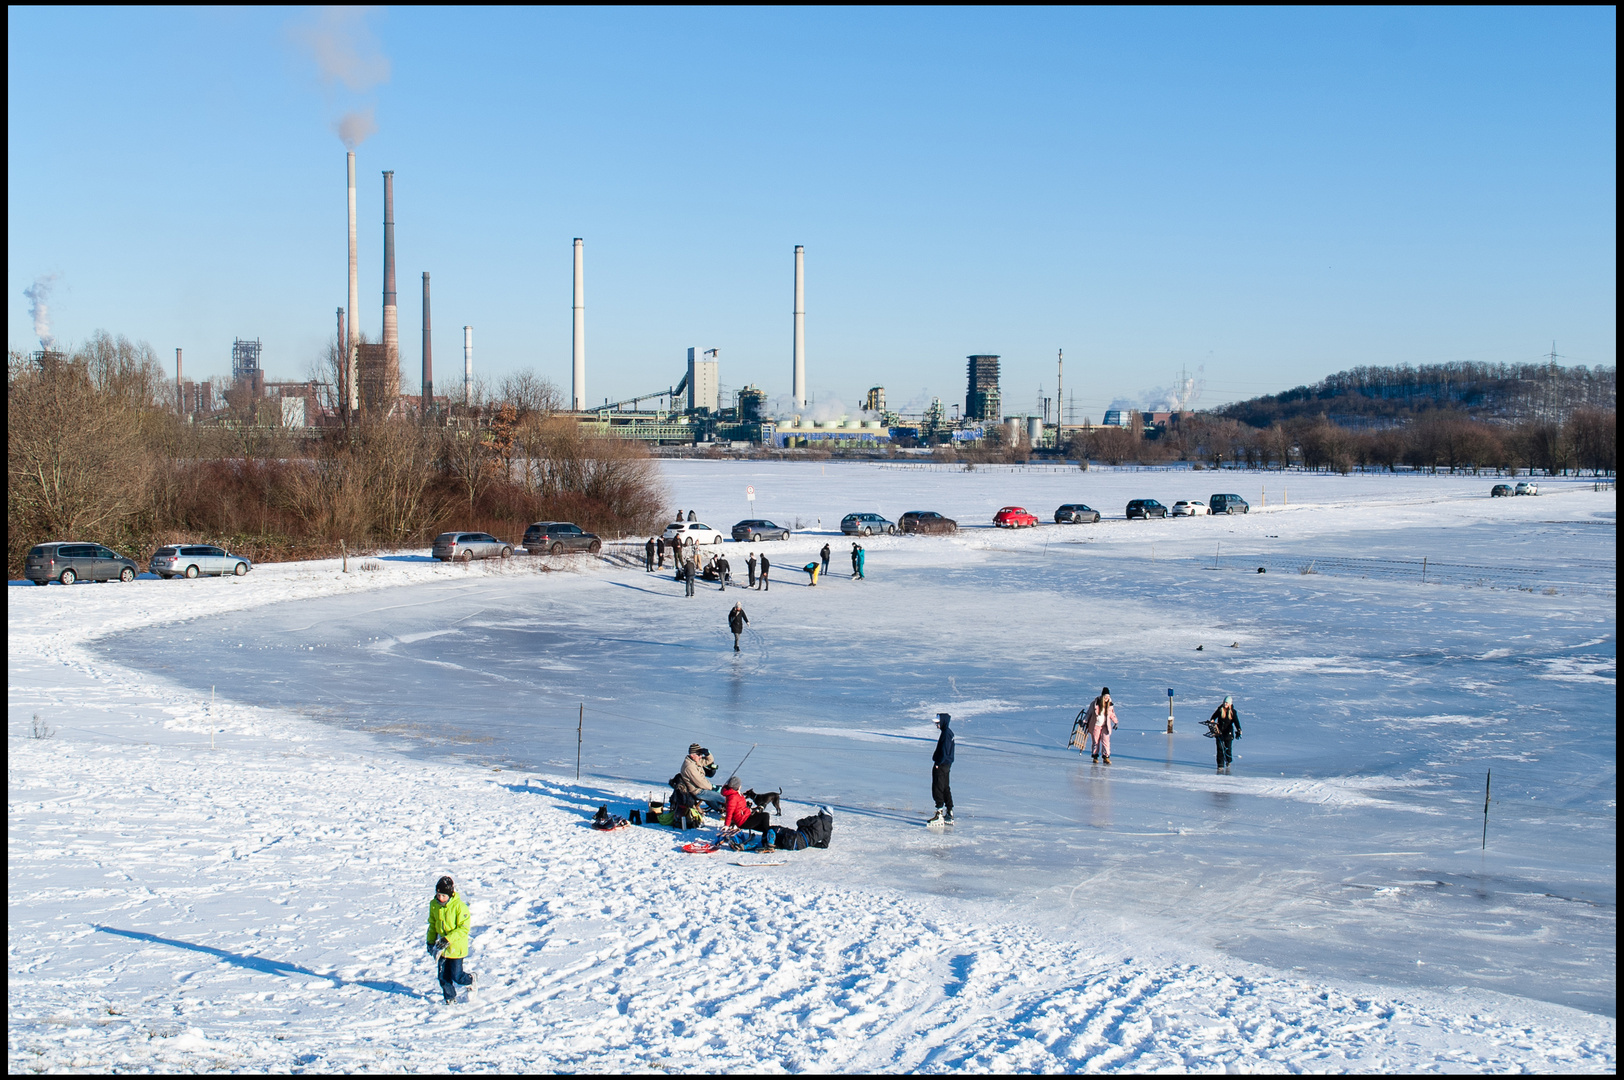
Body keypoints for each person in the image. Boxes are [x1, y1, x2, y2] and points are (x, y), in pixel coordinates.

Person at [426, 875, 475, 1004]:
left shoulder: (459, 907)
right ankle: (450, 999)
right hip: (442, 948)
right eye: (438, 895)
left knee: (456, 976)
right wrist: (430, 942)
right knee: (443, 976)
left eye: (444, 896)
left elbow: (463, 928)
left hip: (456, 948)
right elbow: (432, 924)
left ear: (451, 894)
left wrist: (448, 939)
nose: (440, 898)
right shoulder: (434, 905)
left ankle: (470, 979)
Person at [670, 743, 715, 829]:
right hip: (697, 791)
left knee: (716, 795)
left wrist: (708, 754)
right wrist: (712, 787)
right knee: (721, 796)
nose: (701, 756)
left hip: (701, 788)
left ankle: (720, 808)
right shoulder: (689, 766)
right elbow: (700, 782)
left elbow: (709, 761)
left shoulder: (695, 761)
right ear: (692, 755)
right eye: (699, 754)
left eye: (701, 754)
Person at [927, 713, 955, 824]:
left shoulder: (946, 734)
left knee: (938, 787)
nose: (936, 725)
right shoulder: (948, 733)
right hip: (946, 764)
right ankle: (949, 812)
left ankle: (939, 813)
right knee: (945, 787)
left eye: (937, 723)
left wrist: (938, 762)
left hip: (942, 765)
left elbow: (944, 751)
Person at [1085, 687, 1118, 764]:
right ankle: (1095, 756)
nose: (1107, 698)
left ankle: (1106, 757)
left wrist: (1115, 722)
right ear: (1103, 696)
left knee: (1105, 741)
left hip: (1105, 726)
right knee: (1095, 742)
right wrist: (1084, 721)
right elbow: (1088, 713)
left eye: (1108, 696)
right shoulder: (1095, 704)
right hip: (1096, 725)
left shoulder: (1110, 705)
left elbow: (1112, 714)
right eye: (1106, 696)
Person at [1210, 695, 1242, 769]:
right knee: (1220, 749)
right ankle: (1220, 765)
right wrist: (1212, 721)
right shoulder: (1220, 710)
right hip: (1219, 732)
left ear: (1230, 704)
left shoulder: (1233, 712)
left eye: (1227, 703)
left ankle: (1228, 761)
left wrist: (1239, 729)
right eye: (1224, 702)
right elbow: (1213, 717)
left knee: (1228, 749)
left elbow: (1236, 722)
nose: (1225, 704)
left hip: (1228, 733)